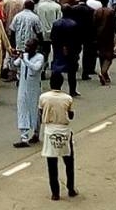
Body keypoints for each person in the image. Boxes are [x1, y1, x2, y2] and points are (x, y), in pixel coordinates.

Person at [39, 73, 77, 201]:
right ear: (61, 84)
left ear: (50, 84)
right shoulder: (67, 98)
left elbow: (41, 112)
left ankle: (55, 193)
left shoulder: (43, 97)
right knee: (69, 161)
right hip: (64, 130)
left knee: (52, 163)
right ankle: (71, 188)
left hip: (50, 130)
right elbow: (71, 116)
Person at [13, 38, 44, 148]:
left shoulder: (39, 57)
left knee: (35, 111)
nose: (26, 48)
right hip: (23, 87)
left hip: (34, 89)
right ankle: (24, 137)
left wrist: (25, 59)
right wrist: (18, 57)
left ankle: (36, 133)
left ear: (34, 48)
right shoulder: (24, 56)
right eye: (26, 46)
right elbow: (15, 63)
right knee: (22, 110)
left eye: (28, 46)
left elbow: (35, 68)